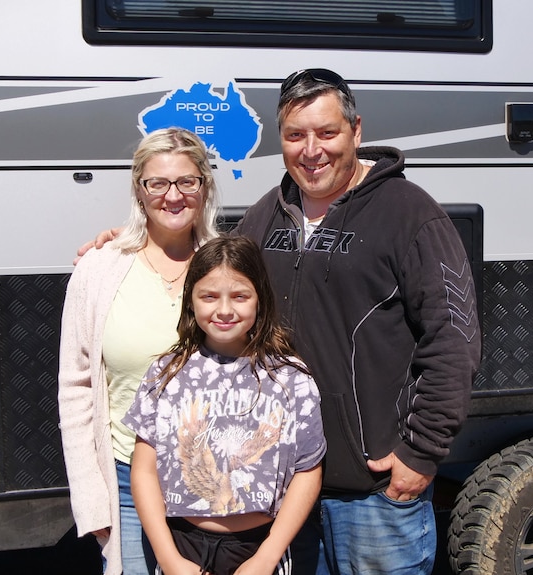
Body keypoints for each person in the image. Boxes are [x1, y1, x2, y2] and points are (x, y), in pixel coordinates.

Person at [79, 68, 482, 574]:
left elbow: (454, 340)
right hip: (282, 495)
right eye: (295, 136)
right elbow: (215, 265)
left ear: (356, 131)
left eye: (327, 132)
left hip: (373, 489)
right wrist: (137, 239)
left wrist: (421, 452)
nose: (311, 150)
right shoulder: (267, 214)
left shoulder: (410, 215)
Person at [58, 127, 222, 575]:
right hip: (128, 483)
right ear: (139, 189)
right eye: (158, 183)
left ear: (204, 187)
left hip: (217, 484)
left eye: (188, 181)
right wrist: (93, 506)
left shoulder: (227, 264)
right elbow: (75, 389)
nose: (173, 195)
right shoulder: (99, 269)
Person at [122, 235, 326, 575]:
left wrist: (266, 558)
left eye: (240, 296)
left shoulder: (291, 378)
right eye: (209, 296)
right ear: (191, 301)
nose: (225, 310)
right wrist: (170, 559)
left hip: (259, 547)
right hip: (182, 545)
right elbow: (143, 470)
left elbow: (308, 471)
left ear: (260, 298)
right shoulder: (166, 374)